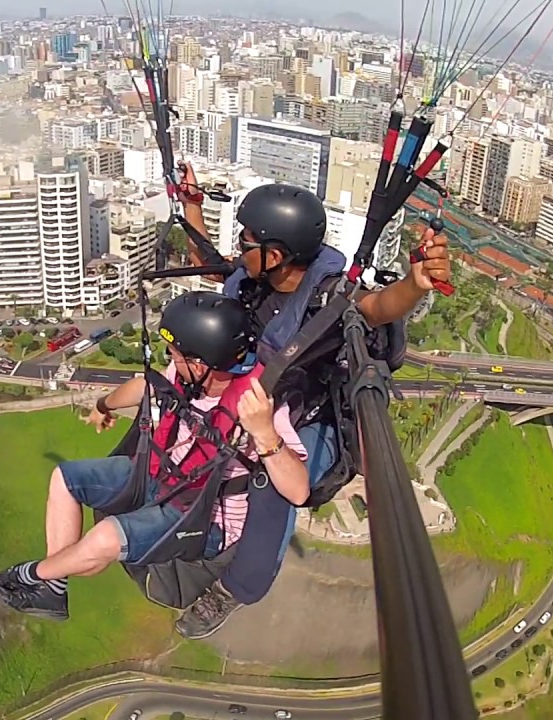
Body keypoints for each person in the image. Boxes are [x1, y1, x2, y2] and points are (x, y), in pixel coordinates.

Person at [169, 163, 454, 640]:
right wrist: (192, 206)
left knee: (271, 482)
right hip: (259, 398)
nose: (240, 245)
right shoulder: (255, 282)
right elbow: (209, 262)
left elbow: (374, 306)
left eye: (247, 239)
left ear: (276, 253)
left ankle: (239, 586)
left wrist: (415, 284)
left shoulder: (327, 297)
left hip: (314, 417)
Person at [0, 291, 310, 621]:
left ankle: (26, 577)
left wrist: (265, 432)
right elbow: (147, 386)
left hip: (205, 519)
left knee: (105, 539)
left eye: (176, 354)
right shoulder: (191, 377)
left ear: (200, 362)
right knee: (65, 479)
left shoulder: (258, 404)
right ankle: (54, 589)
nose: (171, 359)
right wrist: (103, 406)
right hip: (161, 477)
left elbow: (298, 491)